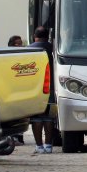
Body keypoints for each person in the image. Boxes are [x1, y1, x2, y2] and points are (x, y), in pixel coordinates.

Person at [29, 26, 55, 154]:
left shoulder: (29, 50)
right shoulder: (53, 49)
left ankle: (39, 146)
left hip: (34, 89)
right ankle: (49, 145)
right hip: (50, 88)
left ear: (35, 36)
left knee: (36, 118)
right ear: (47, 36)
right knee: (49, 118)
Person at [8, 35, 26, 145]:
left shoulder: (24, 55)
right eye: (16, 44)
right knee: (12, 115)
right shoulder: (8, 55)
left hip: (22, 89)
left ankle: (20, 137)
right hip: (11, 90)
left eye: (20, 44)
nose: (19, 45)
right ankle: (12, 137)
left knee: (21, 114)